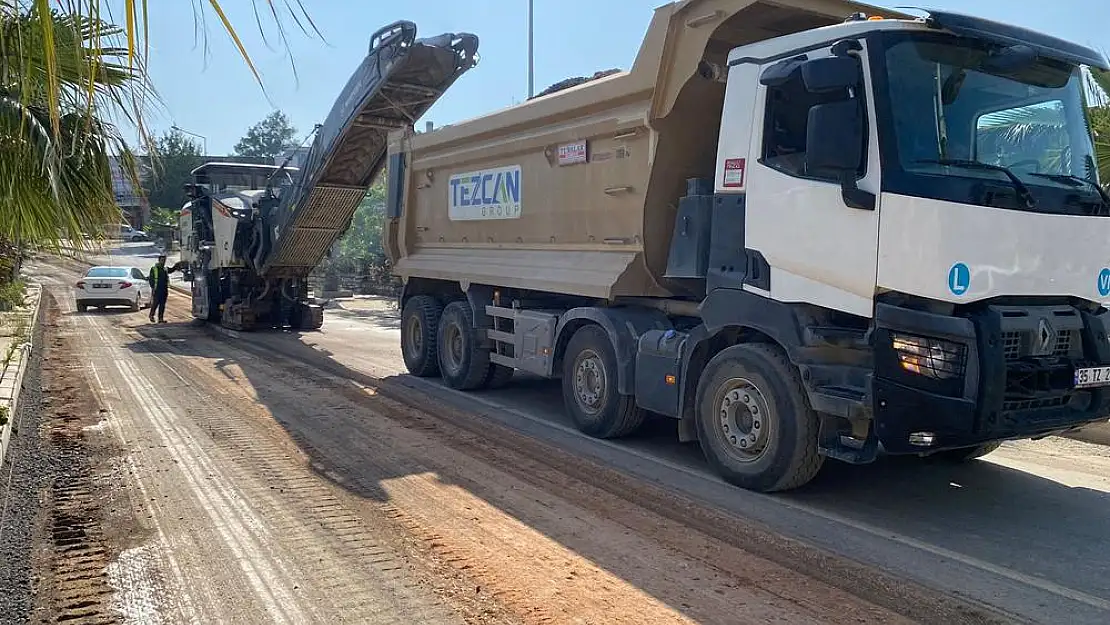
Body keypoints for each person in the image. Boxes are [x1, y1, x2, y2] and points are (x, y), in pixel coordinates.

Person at [146, 255, 180, 323]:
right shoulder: (154, 269)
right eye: (162, 260)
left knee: (162, 305)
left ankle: (160, 319)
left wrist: (176, 266)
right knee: (155, 303)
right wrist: (153, 287)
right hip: (157, 289)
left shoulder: (165, 269)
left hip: (164, 290)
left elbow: (171, 270)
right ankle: (151, 315)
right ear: (159, 260)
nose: (163, 261)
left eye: (164, 260)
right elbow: (151, 279)